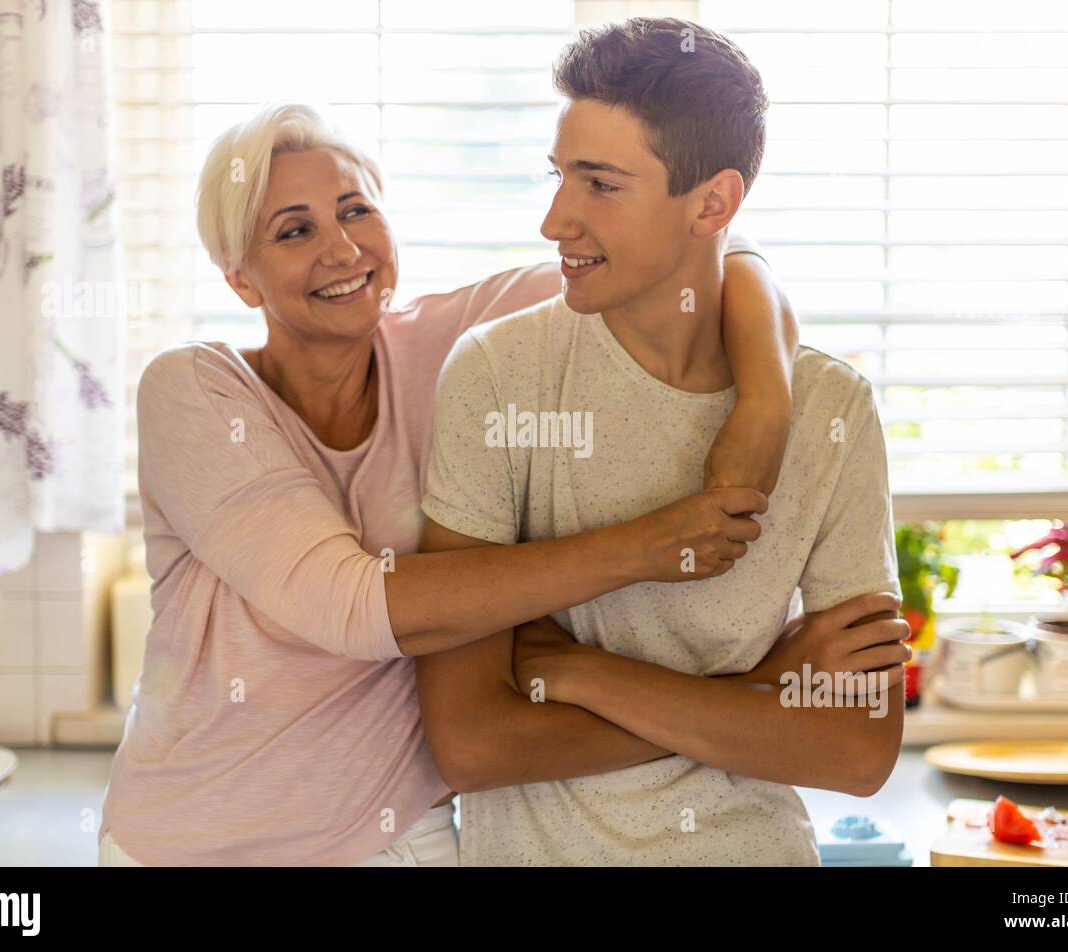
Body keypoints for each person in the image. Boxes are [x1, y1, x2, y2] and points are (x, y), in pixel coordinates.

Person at [97, 99, 800, 866]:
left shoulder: (453, 347)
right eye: (294, 230)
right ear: (240, 280)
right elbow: (351, 607)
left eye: (355, 211)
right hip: (197, 842)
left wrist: (765, 401)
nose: (341, 249)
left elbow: (694, 251)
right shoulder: (195, 391)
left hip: (400, 836)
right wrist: (651, 552)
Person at [415, 18, 908, 866]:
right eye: (560, 175)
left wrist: (582, 673)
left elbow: (856, 751)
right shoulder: (498, 374)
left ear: (712, 203)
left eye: (600, 185)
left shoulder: (830, 408)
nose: (554, 221)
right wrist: (756, 697)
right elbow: (472, 743)